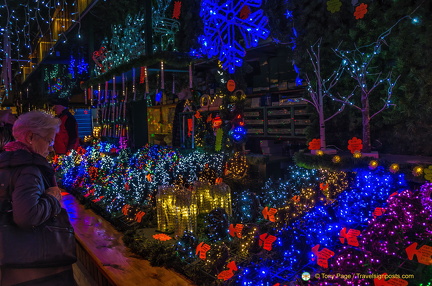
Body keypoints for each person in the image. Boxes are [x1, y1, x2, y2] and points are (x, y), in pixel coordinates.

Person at [0, 110, 76, 285]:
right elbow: (27, 216)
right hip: (40, 269)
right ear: (30, 137)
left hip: (12, 262)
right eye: (49, 141)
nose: (51, 148)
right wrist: (52, 198)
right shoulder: (29, 168)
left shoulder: (7, 162)